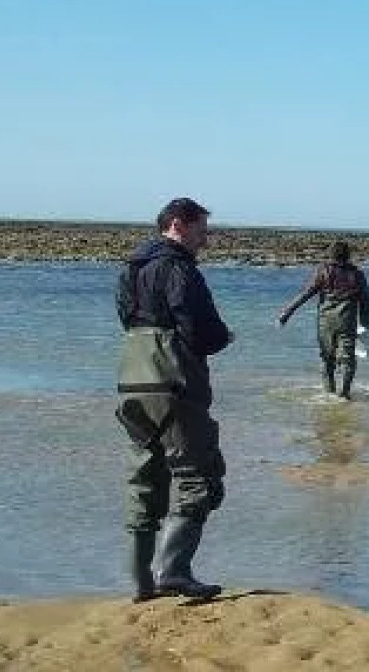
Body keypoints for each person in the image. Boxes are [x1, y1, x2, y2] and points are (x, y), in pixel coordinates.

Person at [114, 197, 232, 600]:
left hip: (132, 379)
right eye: (201, 231)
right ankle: (174, 570)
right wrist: (223, 337)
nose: (206, 240)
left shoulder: (130, 269)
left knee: (144, 478)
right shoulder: (180, 269)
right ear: (178, 225)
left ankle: (140, 582)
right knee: (201, 477)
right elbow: (200, 329)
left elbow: (127, 319)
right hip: (174, 382)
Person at [276, 240, 369, 399]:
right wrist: (364, 323)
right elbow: (365, 301)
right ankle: (345, 394)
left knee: (327, 358)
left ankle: (329, 394)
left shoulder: (323, 270)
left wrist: (287, 313)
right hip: (347, 321)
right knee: (348, 359)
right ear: (348, 255)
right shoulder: (357, 274)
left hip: (326, 322)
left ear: (331, 254)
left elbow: (306, 293)